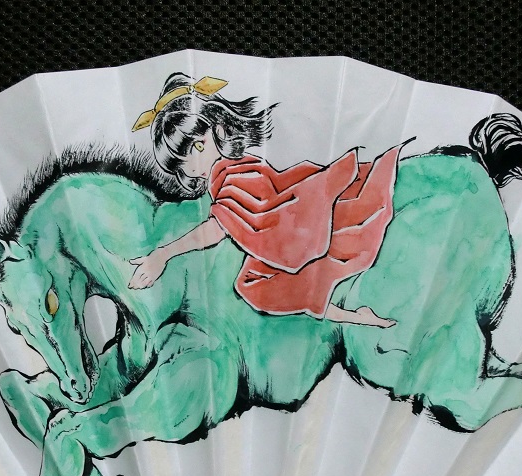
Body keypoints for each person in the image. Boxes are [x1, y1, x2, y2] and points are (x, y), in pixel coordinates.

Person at [129, 73, 405, 328]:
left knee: (261, 284)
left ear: (219, 131)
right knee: (255, 287)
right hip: (276, 239)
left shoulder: (234, 174)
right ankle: (356, 317)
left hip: (290, 227)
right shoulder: (224, 175)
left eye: (197, 146)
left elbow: (219, 227)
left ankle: (355, 315)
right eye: (180, 163)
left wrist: (164, 253)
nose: (192, 166)